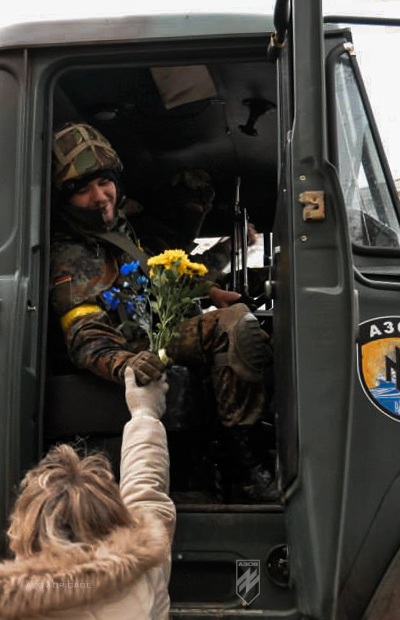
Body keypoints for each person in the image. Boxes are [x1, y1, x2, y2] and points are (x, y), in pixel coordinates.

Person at [49, 122, 277, 502]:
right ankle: (246, 465)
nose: (100, 196)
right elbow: (85, 337)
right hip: (132, 347)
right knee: (233, 327)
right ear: (65, 200)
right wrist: (126, 364)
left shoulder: (120, 231)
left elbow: (161, 278)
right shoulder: (74, 255)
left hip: (150, 332)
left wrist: (213, 286)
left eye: (103, 182)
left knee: (235, 321)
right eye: (83, 189)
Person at [0, 368, 174, 619]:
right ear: (114, 518)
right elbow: (146, 494)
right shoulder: (143, 570)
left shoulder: (11, 603)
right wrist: (144, 413)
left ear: (25, 527)